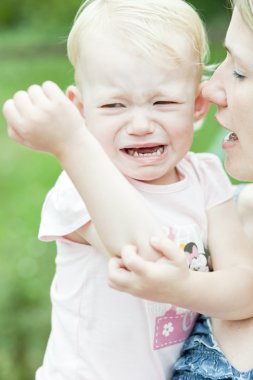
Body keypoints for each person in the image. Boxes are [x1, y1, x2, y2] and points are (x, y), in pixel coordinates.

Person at [2, 0, 253, 379]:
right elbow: (139, 257)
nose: (139, 124)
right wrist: (71, 143)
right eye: (114, 104)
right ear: (79, 109)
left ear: (197, 105)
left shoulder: (206, 177)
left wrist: (187, 286)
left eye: (163, 102)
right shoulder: (80, 183)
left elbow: (244, 288)